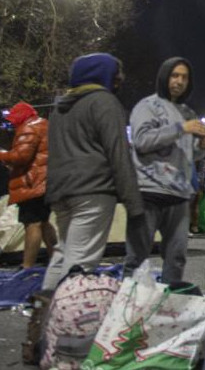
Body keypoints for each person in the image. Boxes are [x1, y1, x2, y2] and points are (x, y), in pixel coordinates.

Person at [43, 53, 143, 291]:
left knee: (62, 254)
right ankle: (64, 323)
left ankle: (42, 316)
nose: (118, 82)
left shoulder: (60, 108)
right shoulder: (104, 102)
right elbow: (118, 153)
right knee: (80, 264)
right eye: (116, 77)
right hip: (93, 191)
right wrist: (134, 202)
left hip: (61, 192)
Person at [124, 57, 205, 284]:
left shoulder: (188, 112)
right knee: (137, 258)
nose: (180, 81)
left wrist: (203, 145)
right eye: (175, 75)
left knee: (177, 257)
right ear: (164, 76)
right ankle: (128, 312)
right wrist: (181, 128)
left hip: (179, 194)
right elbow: (141, 141)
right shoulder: (147, 106)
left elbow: (191, 155)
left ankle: (168, 307)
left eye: (184, 77)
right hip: (148, 190)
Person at [0, 102, 57, 269]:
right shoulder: (45, 125)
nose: (12, 124)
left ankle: (27, 266)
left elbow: (21, 157)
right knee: (44, 222)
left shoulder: (29, 127)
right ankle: (56, 260)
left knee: (32, 224)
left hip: (33, 183)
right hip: (47, 181)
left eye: (13, 119)